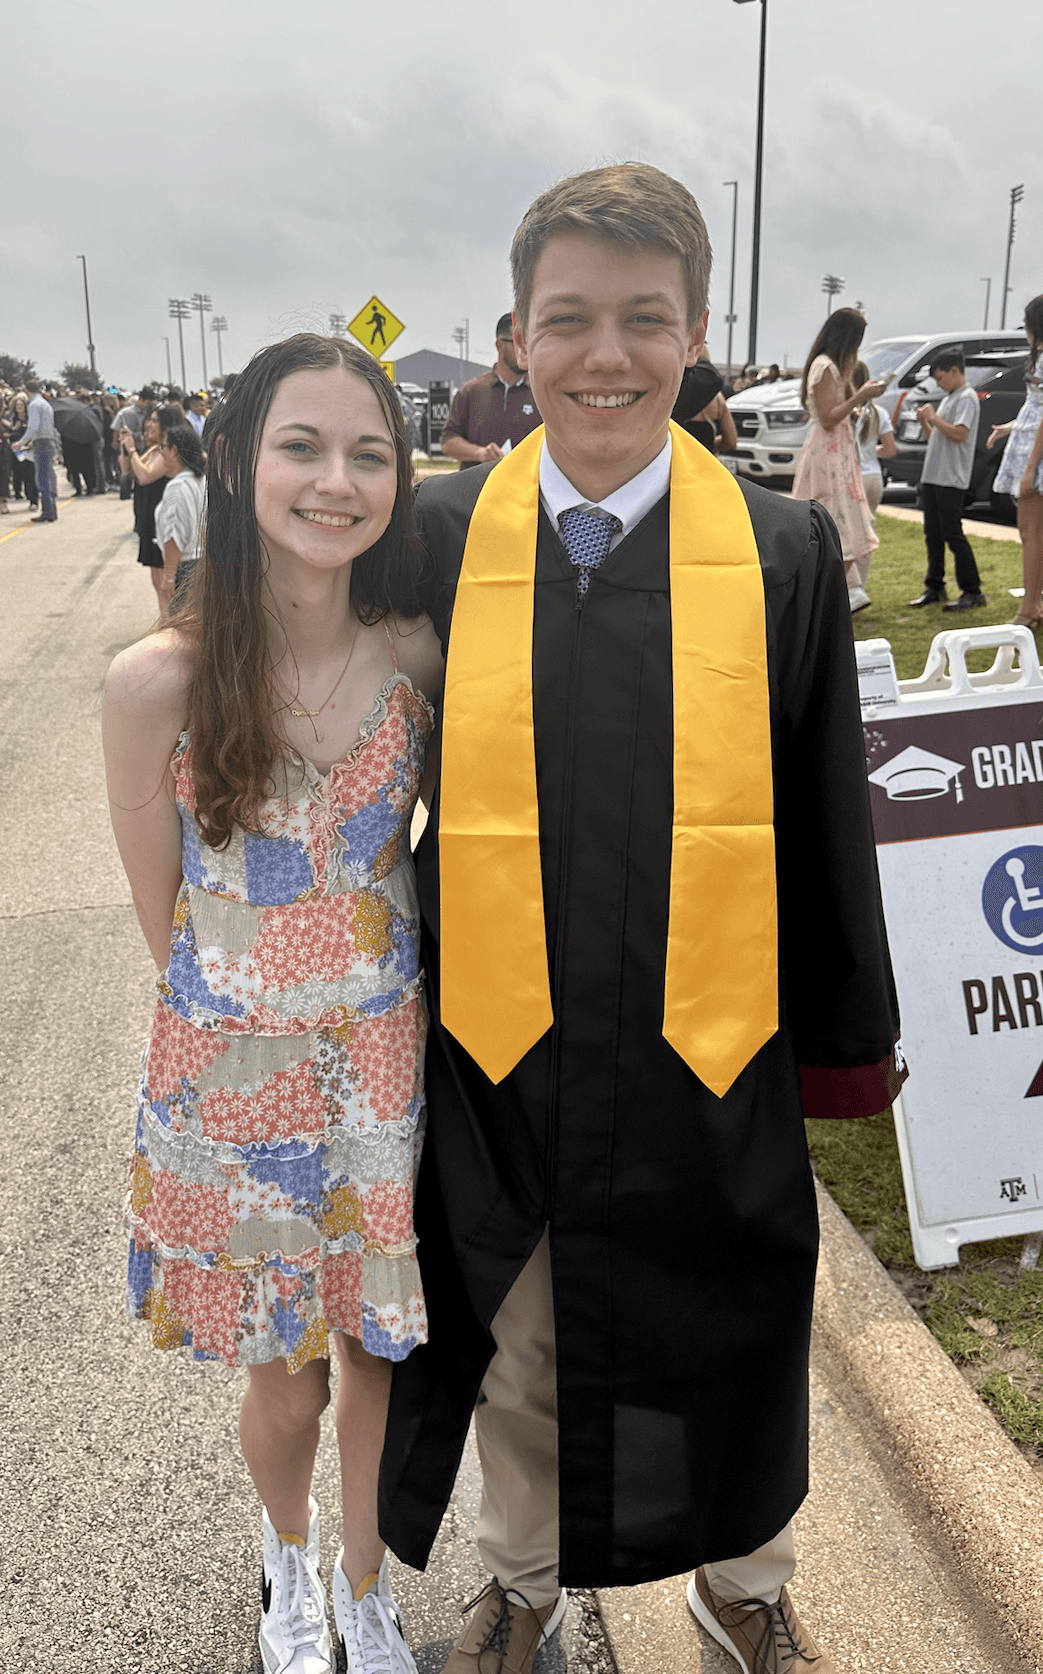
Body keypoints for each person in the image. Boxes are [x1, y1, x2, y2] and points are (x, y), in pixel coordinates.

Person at [378, 163, 904, 1674]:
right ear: (516, 337)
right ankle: (522, 1579)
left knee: (739, 1308)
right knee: (522, 1331)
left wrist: (844, 1036)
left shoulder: (782, 550)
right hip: (505, 1027)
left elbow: (823, 806)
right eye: (569, 320)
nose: (605, 355)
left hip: (710, 1023)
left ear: (696, 335)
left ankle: (746, 1582)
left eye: (643, 319)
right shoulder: (438, 533)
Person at [102, 332, 443, 1674]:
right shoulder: (156, 684)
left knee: (376, 1346)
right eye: (303, 445)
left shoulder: (417, 653)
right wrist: (256, 1025)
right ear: (240, 462)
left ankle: (364, 1585)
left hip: (382, 1060)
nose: (336, 480)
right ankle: (286, 1559)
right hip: (234, 1073)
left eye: (368, 453)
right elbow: (165, 921)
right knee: (282, 1370)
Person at [791, 308, 884, 615]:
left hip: (836, 456)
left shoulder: (833, 368)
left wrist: (857, 402)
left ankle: (833, 595)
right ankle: (827, 597)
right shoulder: (826, 367)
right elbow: (829, 418)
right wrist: (859, 397)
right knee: (833, 524)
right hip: (827, 458)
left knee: (842, 523)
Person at [907, 345, 985, 613]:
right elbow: (938, 438)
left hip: (951, 479)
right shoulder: (950, 397)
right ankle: (935, 586)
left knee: (953, 533)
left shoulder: (966, 397)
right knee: (933, 534)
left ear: (954, 371)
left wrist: (934, 417)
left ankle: (972, 590)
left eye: (941, 377)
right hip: (934, 476)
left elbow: (960, 434)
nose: (939, 383)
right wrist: (926, 423)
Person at [989, 294, 1043, 627]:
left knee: (1030, 533)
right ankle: (1033, 604)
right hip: (1030, 450)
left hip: (1034, 458)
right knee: (1035, 533)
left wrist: (1029, 470)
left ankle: (1028, 609)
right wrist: (1009, 428)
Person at [439, 314, 542, 467]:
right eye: (518, 343)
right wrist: (480, 453)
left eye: (529, 343)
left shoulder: (540, 394)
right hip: (477, 488)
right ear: (500, 346)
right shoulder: (472, 391)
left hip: (525, 489)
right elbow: (448, 442)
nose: (526, 350)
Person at [119, 402, 185, 613]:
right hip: (147, 516)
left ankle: (171, 624)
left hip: (163, 518)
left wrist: (132, 449)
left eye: (155, 421)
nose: (149, 424)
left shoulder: (168, 451)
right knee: (157, 578)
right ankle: (165, 620)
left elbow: (146, 475)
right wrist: (126, 448)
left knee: (167, 578)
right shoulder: (151, 450)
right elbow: (129, 470)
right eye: (149, 419)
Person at [851, 359, 896, 597]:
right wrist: (871, 451)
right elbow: (889, 449)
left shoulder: (847, 412)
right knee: (867, 534)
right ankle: (862, 587)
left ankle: (850, 588)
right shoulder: (879, 413)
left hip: (853, 476)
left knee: (846, 534)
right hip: (873, 477)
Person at [153, 422, 206, 607]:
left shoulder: (177, 488)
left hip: (186, 569)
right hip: (206, 564)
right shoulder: (202, 481)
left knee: (183, 628)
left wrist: (168, 577)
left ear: (174, 450)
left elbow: (174, 537)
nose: (161, 453)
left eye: (163, 448)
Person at [16, 381, 59, 522]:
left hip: (41, 442)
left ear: (26, 390)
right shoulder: (45, 404)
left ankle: (48, 511)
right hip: (48, 440)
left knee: (42, 479)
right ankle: (51, 509)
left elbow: (33, 427)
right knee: (48, 476)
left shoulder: (34, 405)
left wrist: (22, 442)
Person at [113, 387, 156, 504]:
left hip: (145, 447)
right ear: (141, 400)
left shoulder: (150, 413)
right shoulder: (129, 413)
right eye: (147, 403)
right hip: (131, 447)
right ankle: (126, 491)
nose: (148, 406)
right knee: (127, 473)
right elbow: (127, 431)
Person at [7, 394, 38, 507]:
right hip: (17, 450)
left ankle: (33, 499)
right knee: (17, 471)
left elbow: (33, 431)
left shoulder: (30, 418)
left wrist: (30, 442)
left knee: (30, 474)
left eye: (21, 404)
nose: (19, 406)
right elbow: (10, 434)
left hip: (28, 450)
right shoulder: (12, 419)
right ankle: (17, 492)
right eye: (17, 405)